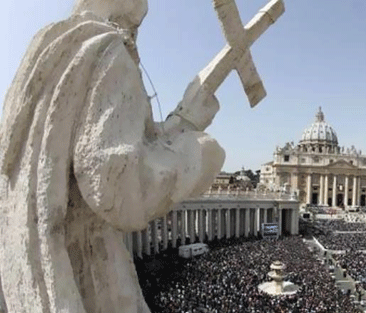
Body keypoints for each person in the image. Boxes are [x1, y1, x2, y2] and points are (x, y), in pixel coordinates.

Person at [0, 0, 224, 312]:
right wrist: (197, 156)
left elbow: (129, 140)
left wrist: (182, 121)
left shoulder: (48, 47)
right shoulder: (109, 52)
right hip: (88, 270)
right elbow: (117, 184)